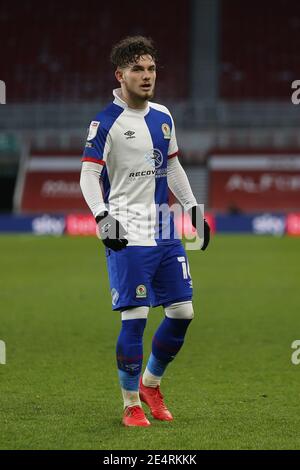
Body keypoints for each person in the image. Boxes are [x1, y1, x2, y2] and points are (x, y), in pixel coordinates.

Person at [80, 36, 210, 427]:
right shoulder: (106, 122)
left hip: (163, 226)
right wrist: (103, 216)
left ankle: (151, 384)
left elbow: (171, 166)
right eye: (137, 69)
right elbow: (89, 174)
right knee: (135, 317)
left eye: (151, 68)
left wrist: (193, 209)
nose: (147, 76)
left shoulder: (164, 116)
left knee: (183, 311)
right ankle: (131, 403)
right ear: (120, 75)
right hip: (126, 228)